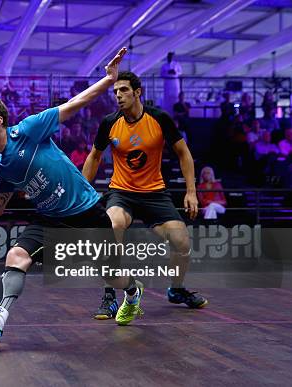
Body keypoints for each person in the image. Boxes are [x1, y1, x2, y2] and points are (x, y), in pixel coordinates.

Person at [0, 48, 143, 349]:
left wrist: (107, 80)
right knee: (16, 256)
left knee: (112, 276)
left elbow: (75, 103)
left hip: (87, 212)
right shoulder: (2, 167)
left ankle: (133, 293)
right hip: (48, 219)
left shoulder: (30, 129)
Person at [82, 71, 207, 321]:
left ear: (138, 92)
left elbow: (184, 153)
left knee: (181, 243)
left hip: (154, 194)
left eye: (124, 90)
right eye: (116, 91)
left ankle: (176, 289)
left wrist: (191, 192)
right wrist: (83, 193)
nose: (118, 95)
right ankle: (109, 295)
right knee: (113, 225)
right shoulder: (109, 122)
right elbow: (94, 156)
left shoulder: (159, 118)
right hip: (121, 192)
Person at [160, 52, 182, 116]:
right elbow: (161, 74)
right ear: (167, 57)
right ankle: (168, 114)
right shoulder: (164, 65)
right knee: (167, 98)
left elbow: (180, 72)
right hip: (167, 82)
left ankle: (175, 113)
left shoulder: (177, 64)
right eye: (169, 56)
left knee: (175, 97)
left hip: (175, 82)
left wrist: (175, 72)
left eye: (171, 56)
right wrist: (167, 72)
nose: (170, 57)